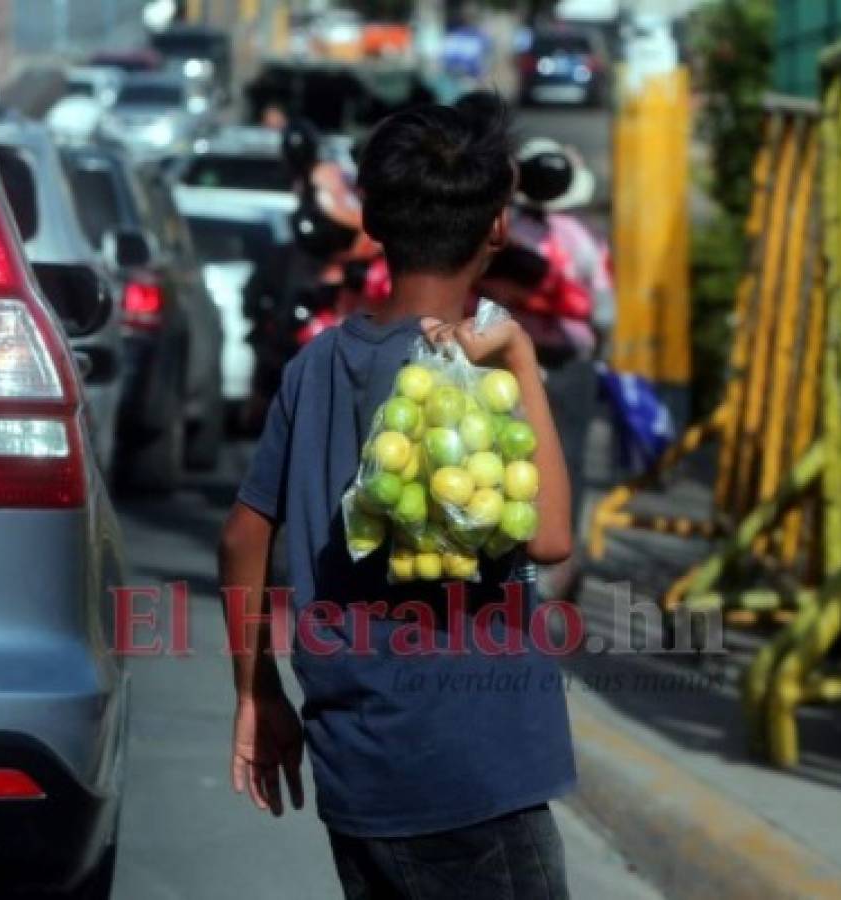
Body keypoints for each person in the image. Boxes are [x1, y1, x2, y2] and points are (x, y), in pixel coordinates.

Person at [219, 98, 576, 899]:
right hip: (472, 775)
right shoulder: (483, 372)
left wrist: (257, 692)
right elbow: (549, 536)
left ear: (371, 219)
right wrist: (517, 350)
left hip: (358, 772)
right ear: (495, 229)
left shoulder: (314, 367)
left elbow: (244, 535)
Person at [480, 139, 614, 543]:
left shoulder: (499, 231)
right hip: (567, 361)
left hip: (501, 357)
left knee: (496, 453)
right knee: (565, 457)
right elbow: (605, 312)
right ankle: (560, 553)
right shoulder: (585, 239)